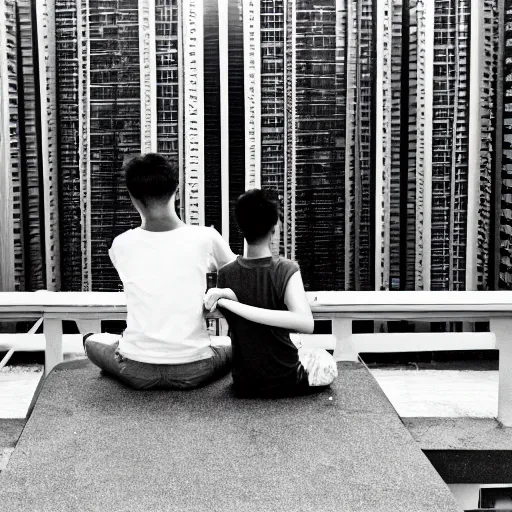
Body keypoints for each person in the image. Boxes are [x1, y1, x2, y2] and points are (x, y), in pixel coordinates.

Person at [84, 153, 235, 390]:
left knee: (92, 341)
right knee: (231, 346)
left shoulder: (120, 244)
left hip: (136, 369)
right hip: (195, 368)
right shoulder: (206, 238)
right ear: (177, 189)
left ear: (132, 197)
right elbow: (242, 275)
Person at [204, 188, 337, 397]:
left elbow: (243, 326)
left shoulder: (226, 274)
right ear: (274, 227)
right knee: (323, 359)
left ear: (240, 226)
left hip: (244, 382)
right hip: (285, 378)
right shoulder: (286, 269)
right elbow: (306, 323)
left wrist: (233, 299)